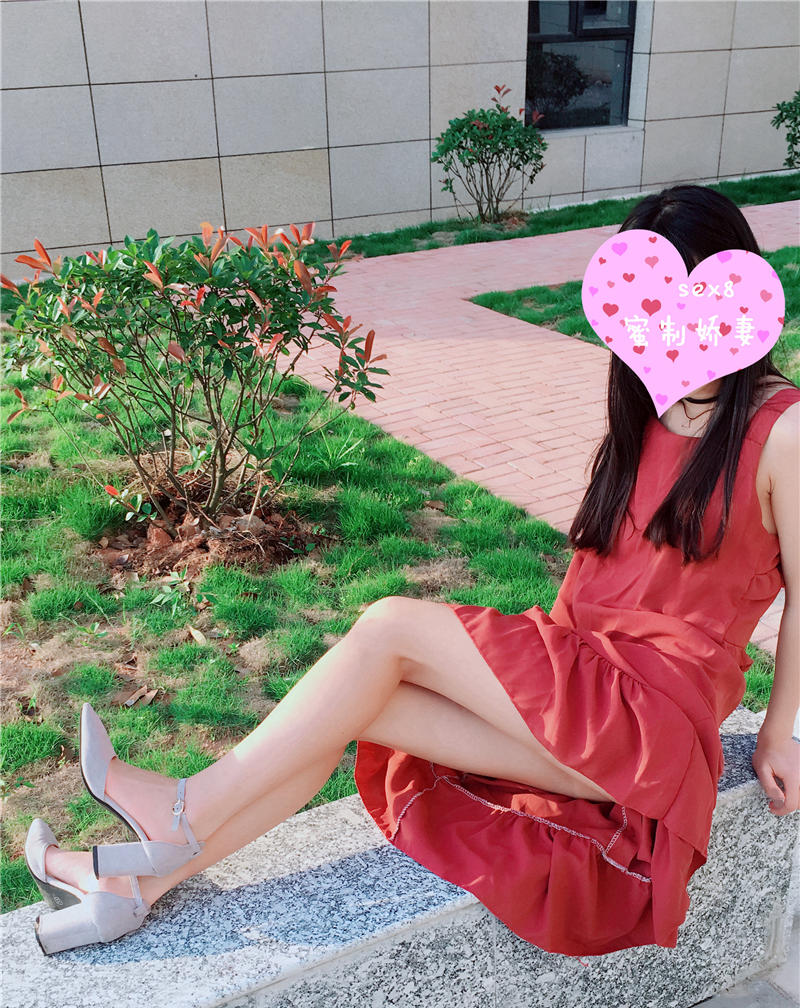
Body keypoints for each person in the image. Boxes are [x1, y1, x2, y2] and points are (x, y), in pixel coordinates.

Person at [25, 183, 800, 958]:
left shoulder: (782, 429)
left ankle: (180, 809)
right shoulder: (651, 402)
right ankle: (131, 888)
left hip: (649, 725)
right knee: (356, 705)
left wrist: (780, 733)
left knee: (390, 625)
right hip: (582, 693)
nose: (664, 332)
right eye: (648, 310)